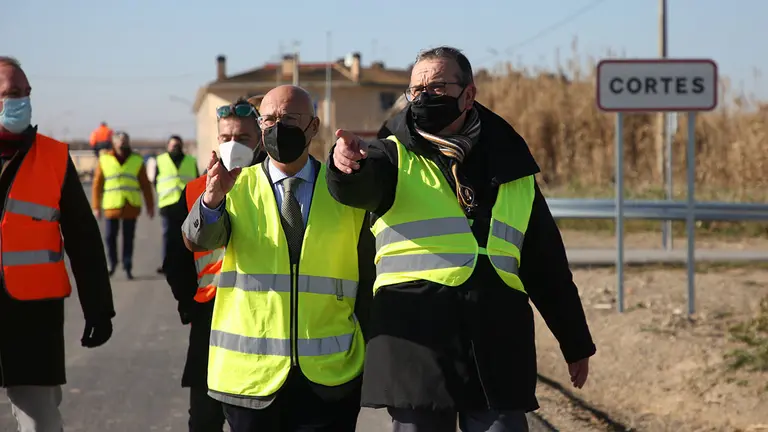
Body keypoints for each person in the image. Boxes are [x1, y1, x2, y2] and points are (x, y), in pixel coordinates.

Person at [327, 46, 597, 432]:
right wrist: (345, 167)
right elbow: (356, 188)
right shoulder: (388, 155)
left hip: (496, 345)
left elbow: (547, 264)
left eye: (436, 87)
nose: (422, 97)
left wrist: (575, 342)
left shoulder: (513, 166)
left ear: (469, 94)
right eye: (415, 90)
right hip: (417, 348)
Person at [181, 85, 374, 432]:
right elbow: (199, 240)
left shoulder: (344, 190)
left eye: (288, 119)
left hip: (329, 380)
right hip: (251, 382)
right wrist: (211, 201)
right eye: (268, 119)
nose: (276, 127)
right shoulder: (235, 184)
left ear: (313, 127)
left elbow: (368, 276)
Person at [0, 56, 115, 431]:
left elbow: (83, 238)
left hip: (32, 318)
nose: (20, 101)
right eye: (10, 93)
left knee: (40, 423)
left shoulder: (52, 157)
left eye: (24, 93)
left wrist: (99, 308)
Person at [163, 97, 266, 432]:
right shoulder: (195, 190)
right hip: (211, 317)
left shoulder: (274, 188)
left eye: (244, 139)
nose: (233, 145)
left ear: (261, 140)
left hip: (263, 318)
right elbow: (174, 260)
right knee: (205, 419)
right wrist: (189, 305)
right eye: (226, 138)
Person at [92, 131, 155, 279]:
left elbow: (145, 185)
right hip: (111, 205)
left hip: (130, 204)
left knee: (128, 237)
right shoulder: (104, 159)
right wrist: (96, 206)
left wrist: (150, 206)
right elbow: (97, 184)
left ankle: (127, 265)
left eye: (124, 140)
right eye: (119, 140)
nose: (122, 143)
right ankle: (112, 263)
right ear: (113, 143)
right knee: (109, 237)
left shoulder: (136, 160)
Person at [154, 135, 198, 274]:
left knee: (188, 235)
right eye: (173, 145)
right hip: (168, 204)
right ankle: (167, 264)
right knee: (168, 235)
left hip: (186, 203)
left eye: (177, 145)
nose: (175, 148)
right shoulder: (160, 161)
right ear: (168, 146)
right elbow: (155, 181)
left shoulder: (191, 160)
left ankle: (186, 264)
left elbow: (197, 180)